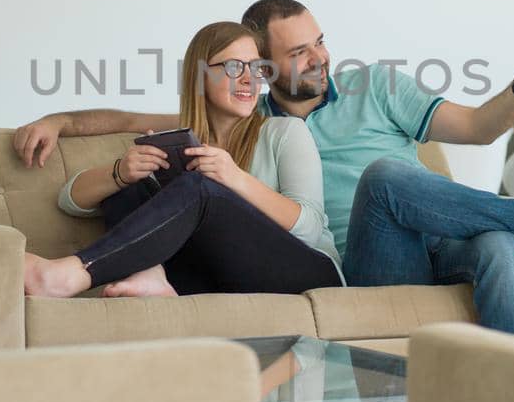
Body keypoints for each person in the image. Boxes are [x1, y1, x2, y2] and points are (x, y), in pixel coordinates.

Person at [16, 0, 514, 338]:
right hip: (373, 262)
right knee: (383, 177)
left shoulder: (377, 87)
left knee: (497, 244)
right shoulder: (252, 120)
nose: (320, 56)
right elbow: (148, 120)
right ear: (266, 66)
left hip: (448, 233)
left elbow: (476, 128)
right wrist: (64, 123)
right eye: (300, 50)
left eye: (320, 40)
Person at [22, 19, 343, 301]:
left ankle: (72, 274)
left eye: (257, 68)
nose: (249, 79)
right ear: (200, 76)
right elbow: (69, 199)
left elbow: (310, 230)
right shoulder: (182, 141)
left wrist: (234, 178)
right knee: (132, 187)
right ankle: (150, 273)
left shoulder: (285, 131)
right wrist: (120, 171)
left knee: (200, 188)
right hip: (223, 278)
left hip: (309, 275)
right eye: (234, 67)